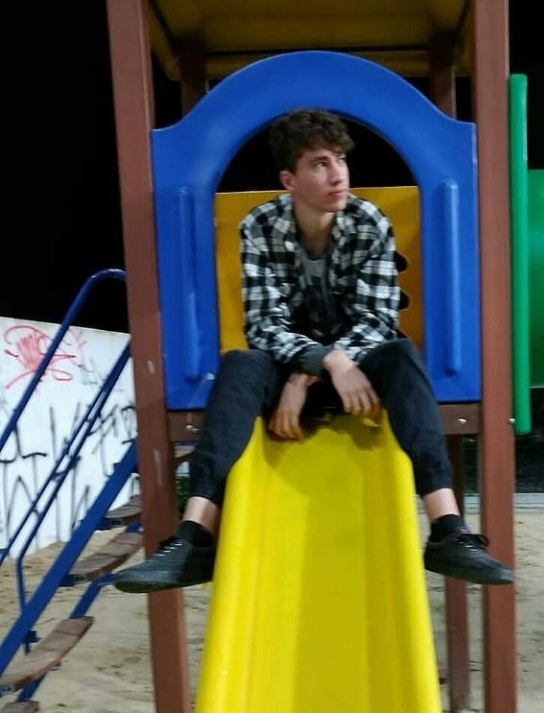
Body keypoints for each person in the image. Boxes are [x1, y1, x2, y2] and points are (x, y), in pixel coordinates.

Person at [113, 108, 513, 594]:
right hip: (291, 373)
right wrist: (319, 364)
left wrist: (322, 369)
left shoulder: (369, 223)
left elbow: (376, 320)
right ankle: (194, 538)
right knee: (239, 364)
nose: (337, 174)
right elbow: (264, 326)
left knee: (402, 354)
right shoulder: (260, 226)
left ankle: (449, 531)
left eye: (340, 159)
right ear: (290, 179)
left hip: (358, 378)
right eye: (320, 164)